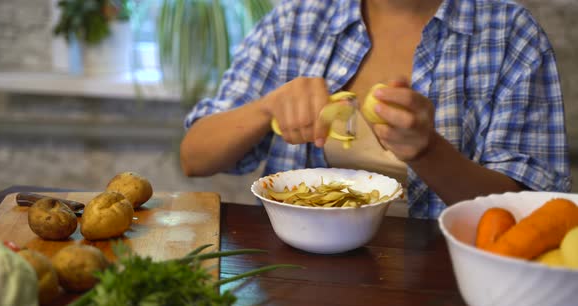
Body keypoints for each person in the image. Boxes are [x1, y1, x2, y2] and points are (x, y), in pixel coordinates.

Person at [179, 0, 571, 219]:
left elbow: (531, 213)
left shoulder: (509, 35)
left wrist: (428, 150)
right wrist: (267, 108)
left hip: (444, 287)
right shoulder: (294, 21)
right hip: (292, 277)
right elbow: (194, 156)